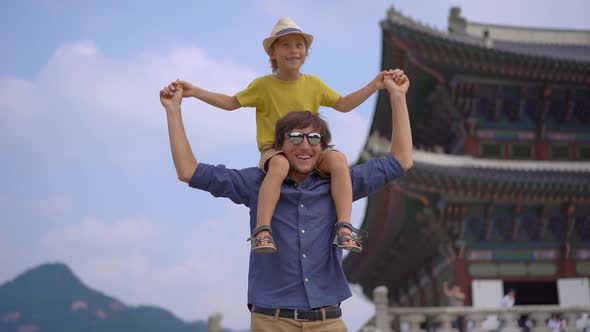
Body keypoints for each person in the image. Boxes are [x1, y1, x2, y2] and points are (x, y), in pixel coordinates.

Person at [160, 70, 412, 331]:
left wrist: (397, 96)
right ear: (279, 145)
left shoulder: (340, 185)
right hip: (272, 321)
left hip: (329, 321)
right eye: (295, 137)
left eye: (314, 138)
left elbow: (402, 160)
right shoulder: (256, 184)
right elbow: (189, 171)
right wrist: (173, 110)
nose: (305, 146)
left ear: (323, 147)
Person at [162, 17, 394, 254]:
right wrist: (195, 92)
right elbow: (232, 103)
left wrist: (374, 85)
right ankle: (262, 230)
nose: (294, 50)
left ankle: (344, 227)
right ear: (272, 53)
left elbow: (343, 104)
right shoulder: (262, 86)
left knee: (338, 160)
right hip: (276, 150)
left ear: (306, 52)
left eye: (299, 45)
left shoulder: (314, 84)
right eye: (286, 45)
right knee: (280, 165)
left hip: (310, 149)